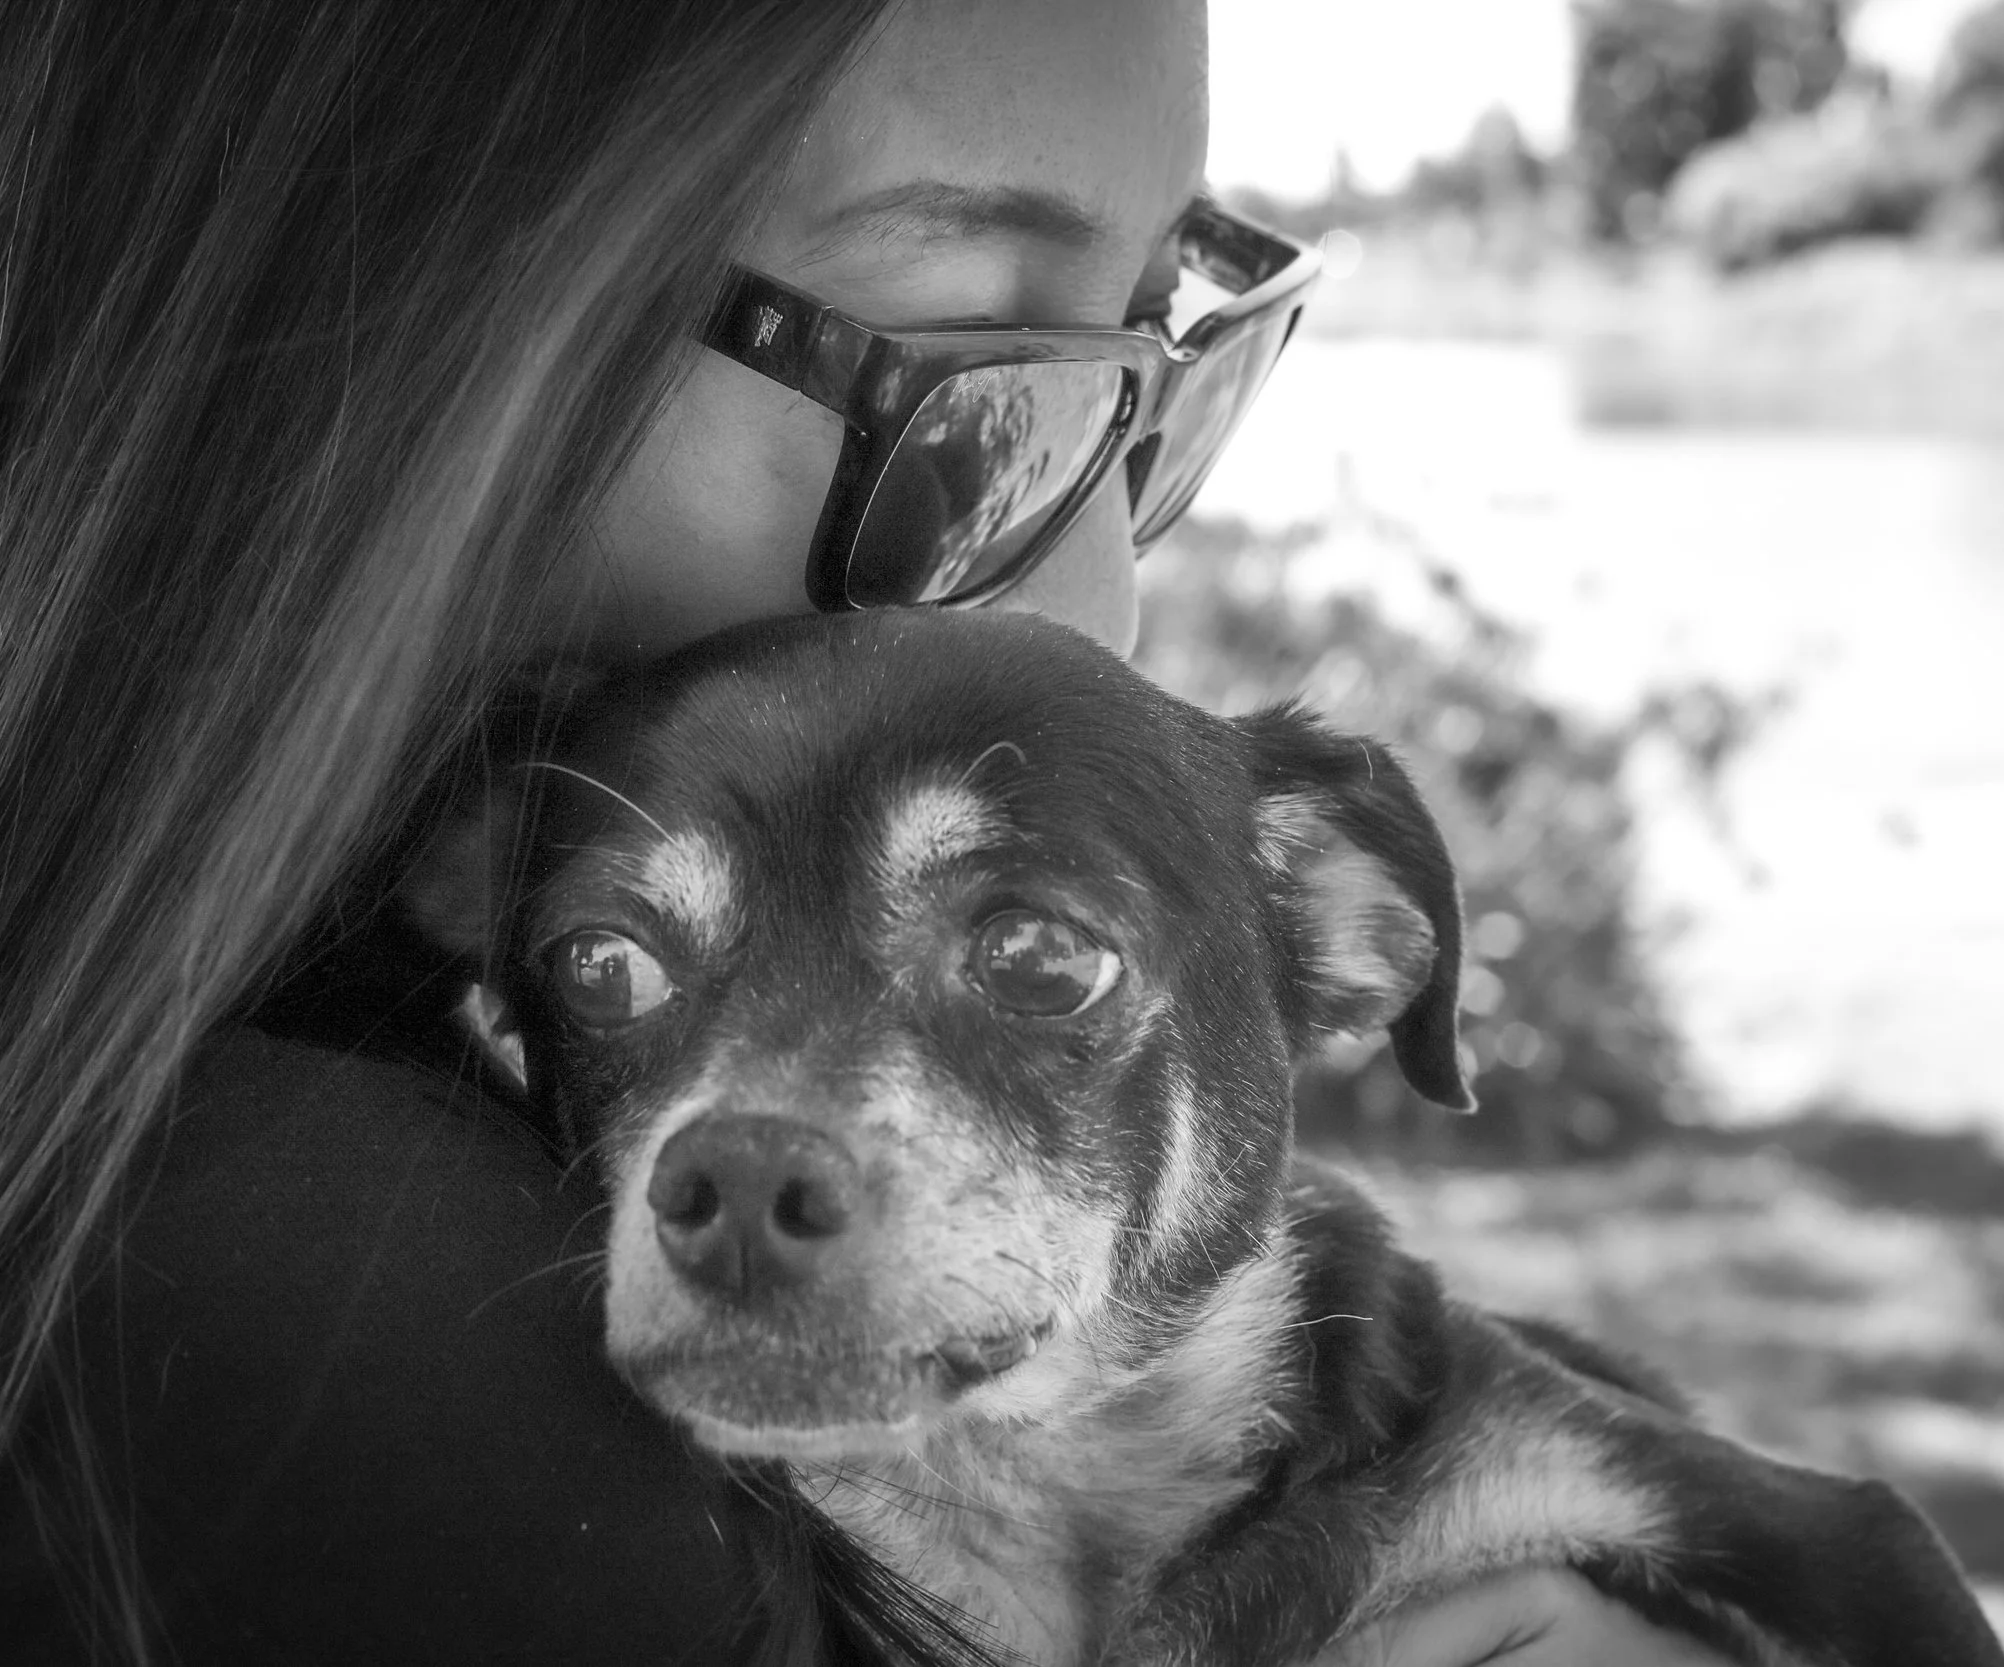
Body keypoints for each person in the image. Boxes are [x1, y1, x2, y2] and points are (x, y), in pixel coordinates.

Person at [0, 1, 1723, 1661]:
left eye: (1163, 371)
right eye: (978, 372)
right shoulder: (322, 1325)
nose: (1101, 593)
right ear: (403, 302)